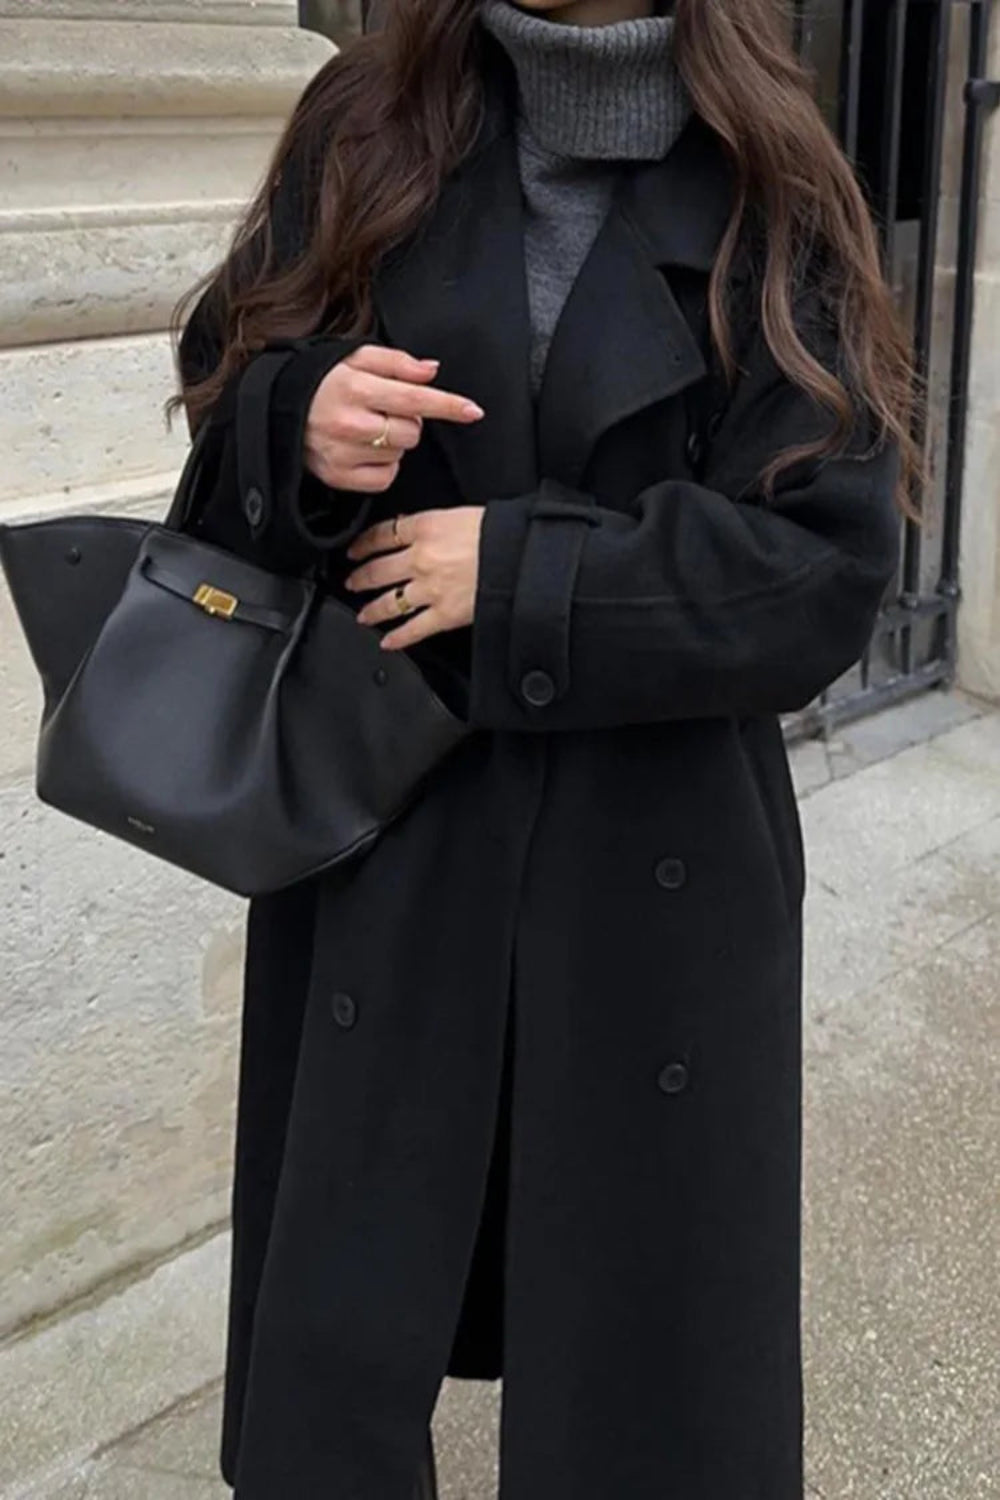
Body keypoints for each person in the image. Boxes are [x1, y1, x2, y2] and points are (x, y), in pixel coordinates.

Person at [172, 1, 917, 1496]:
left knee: (648, 1388)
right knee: (339, 1368)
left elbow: (827, 569)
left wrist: (526, 583)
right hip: (387, 844)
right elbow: (223, 401)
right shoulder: (366, 120)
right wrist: (299, 420)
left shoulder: (780, 170)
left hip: (658, 874)